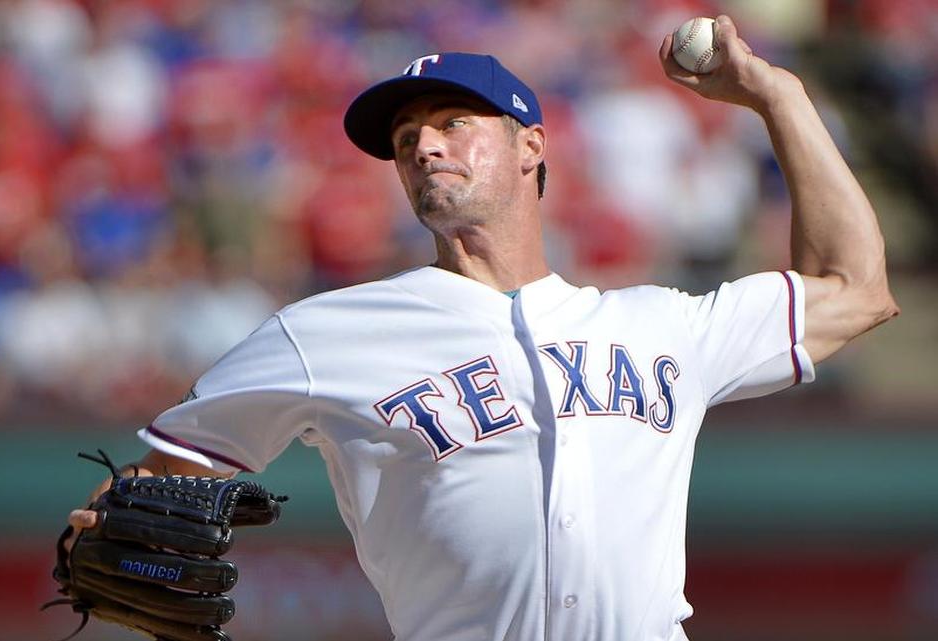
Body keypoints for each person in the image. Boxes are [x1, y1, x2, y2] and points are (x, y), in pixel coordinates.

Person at [65, 16, 898, 641]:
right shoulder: (326, 332)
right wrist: (94, 533)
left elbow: (855, 289)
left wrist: (778, 97)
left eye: (454, 123)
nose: (424, 147)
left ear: (531, 145)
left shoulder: (659, 325)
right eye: (404, 139)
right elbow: (144, 488)